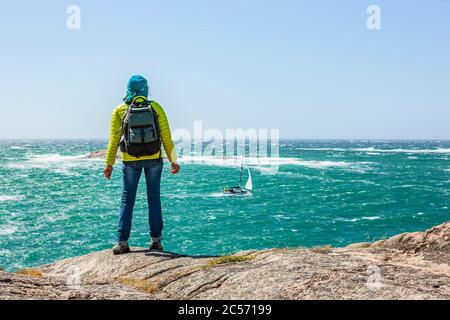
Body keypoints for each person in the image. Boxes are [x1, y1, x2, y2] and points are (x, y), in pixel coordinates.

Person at [103, 75, 180, 255]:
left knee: (127, 200)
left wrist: (109, 164)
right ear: (146, 89)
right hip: (154, 159)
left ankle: (122, 243)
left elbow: (113, 140)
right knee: (154, 197)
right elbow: (167, 138)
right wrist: (174, 160)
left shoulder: (120, 110)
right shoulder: (155, 107)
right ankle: (156, 242)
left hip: (130, 161)